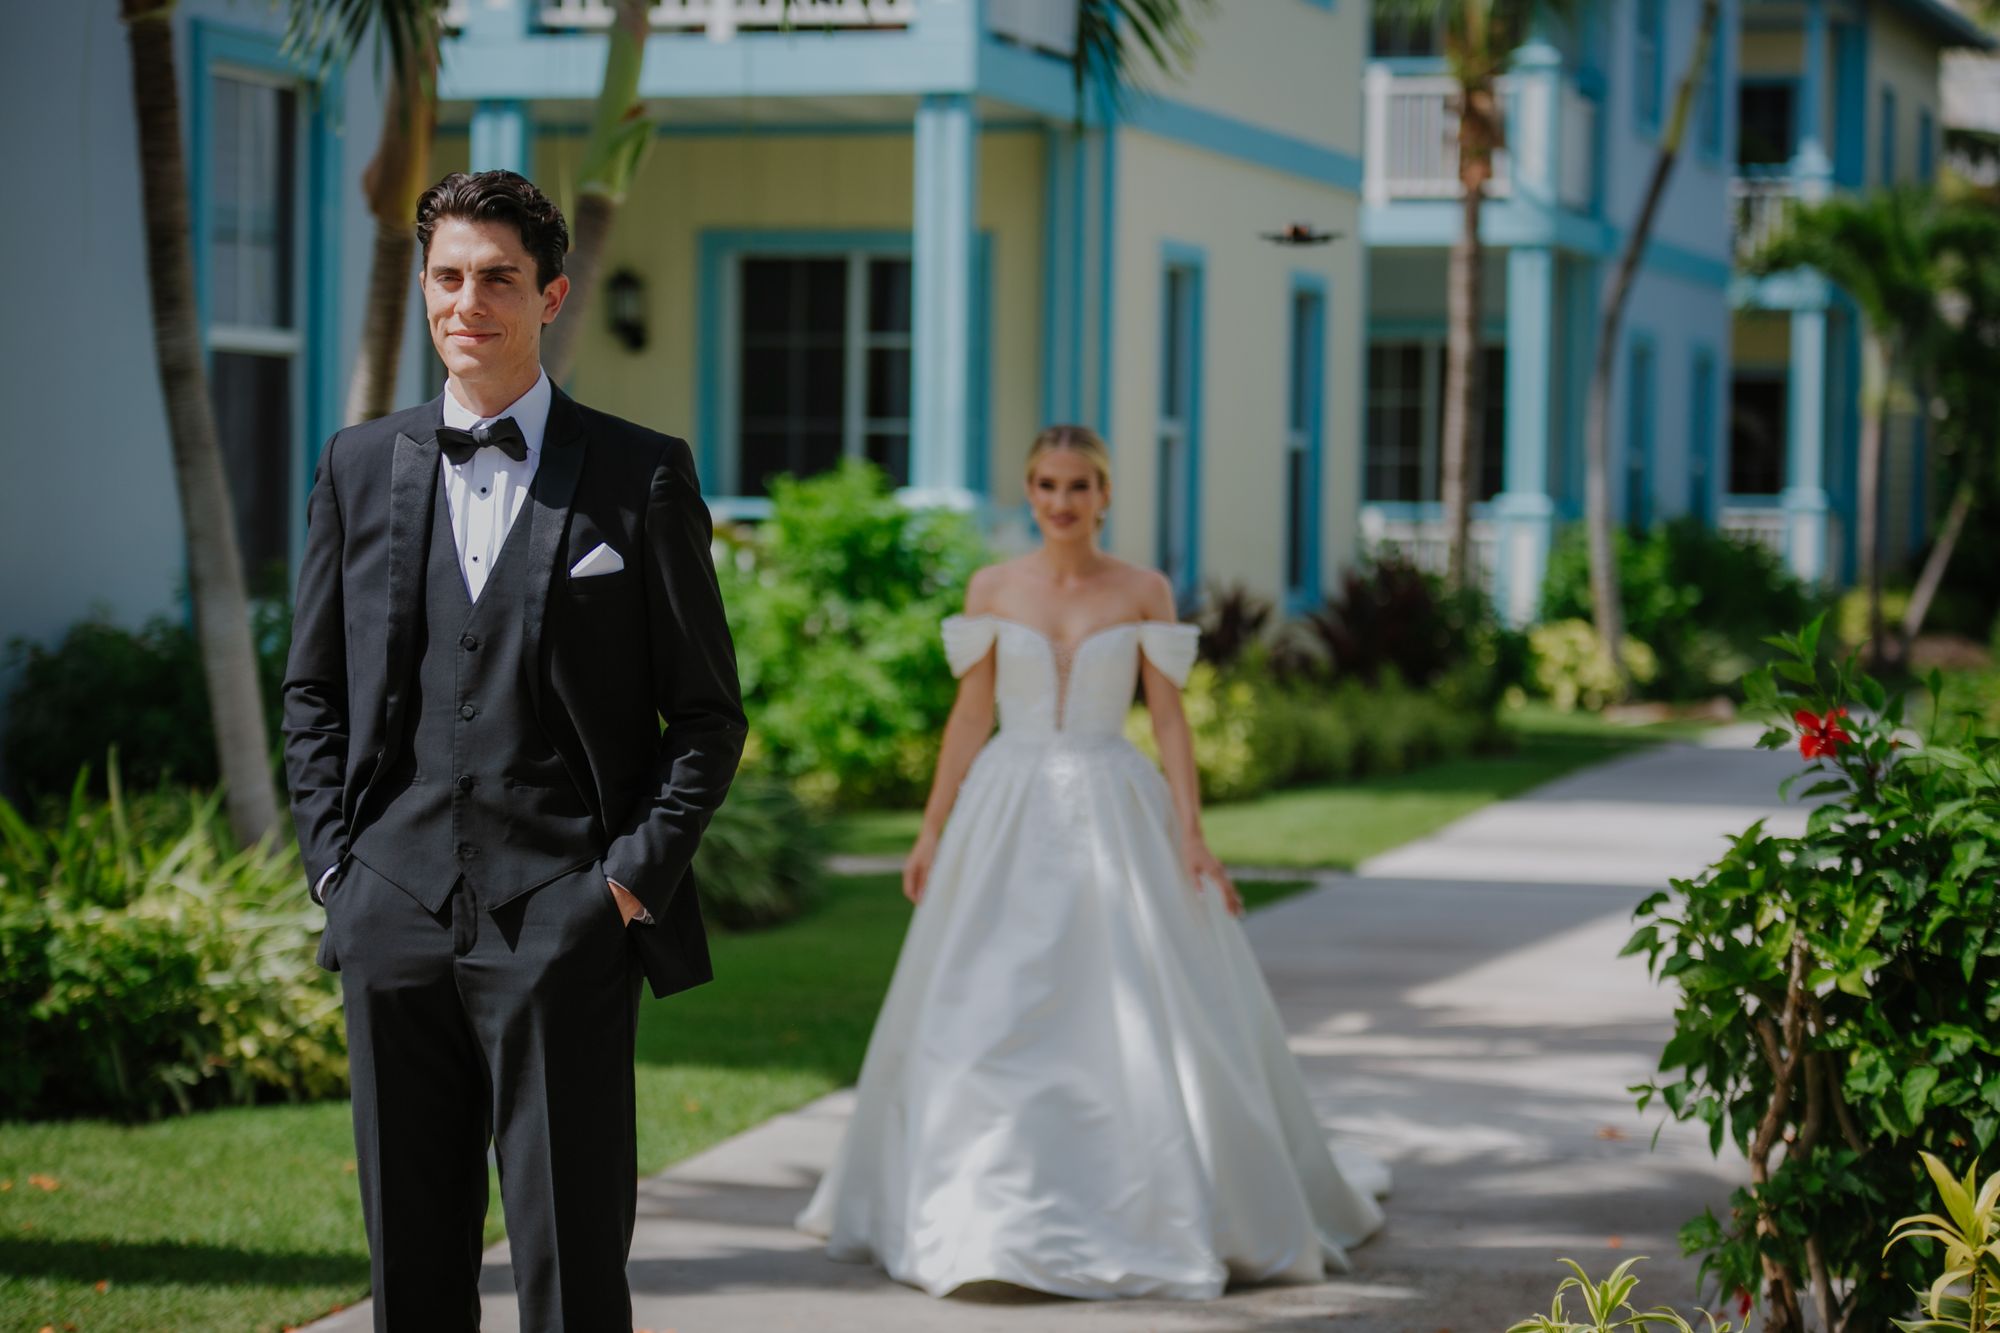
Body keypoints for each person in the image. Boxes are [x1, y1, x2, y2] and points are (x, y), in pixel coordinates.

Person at [282, 169, 746, 1332]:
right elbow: (314, 689)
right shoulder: (355, 463)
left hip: (564, 914)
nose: (465, 301)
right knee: (411, 1264)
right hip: (390, 908)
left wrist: (628, 881)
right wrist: (337, 872)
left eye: (496, 277)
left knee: (571, 1262)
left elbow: (706, 715)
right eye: (446, 276)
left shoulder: (639, 472)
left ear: (550, 295)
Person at [795, 426, 1386, 1300]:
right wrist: (929, 829)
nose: (1061, 502)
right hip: (1006, 805)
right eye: (1044, 484)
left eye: (1077, 485)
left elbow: (1172, 720)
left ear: (1104, 494)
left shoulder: (1144, 589)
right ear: (1028, 492)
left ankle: (1158, 1199)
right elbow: (969, 716)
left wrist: (1192, 832)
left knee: (1142, 1002)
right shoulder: (993, 586)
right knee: (987, 1003)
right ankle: (978, 1213)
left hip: (1118, 803)